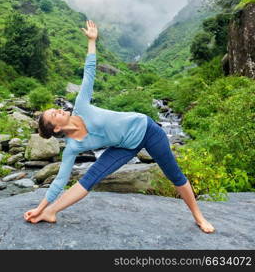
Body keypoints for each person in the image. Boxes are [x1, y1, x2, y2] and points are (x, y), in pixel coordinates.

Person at [23, 20, 215, 234]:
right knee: (89, 179)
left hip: (147, 129)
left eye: (55, 109)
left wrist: (92, 41)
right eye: (53, 114)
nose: (58, 110)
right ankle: (51, 213)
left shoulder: (81, 105)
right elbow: (60, 180)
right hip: (124, 147)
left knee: (175, 175)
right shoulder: (72, 148)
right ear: (56, 129)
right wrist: (40, 208)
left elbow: (89, 72)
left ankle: (198, 216)